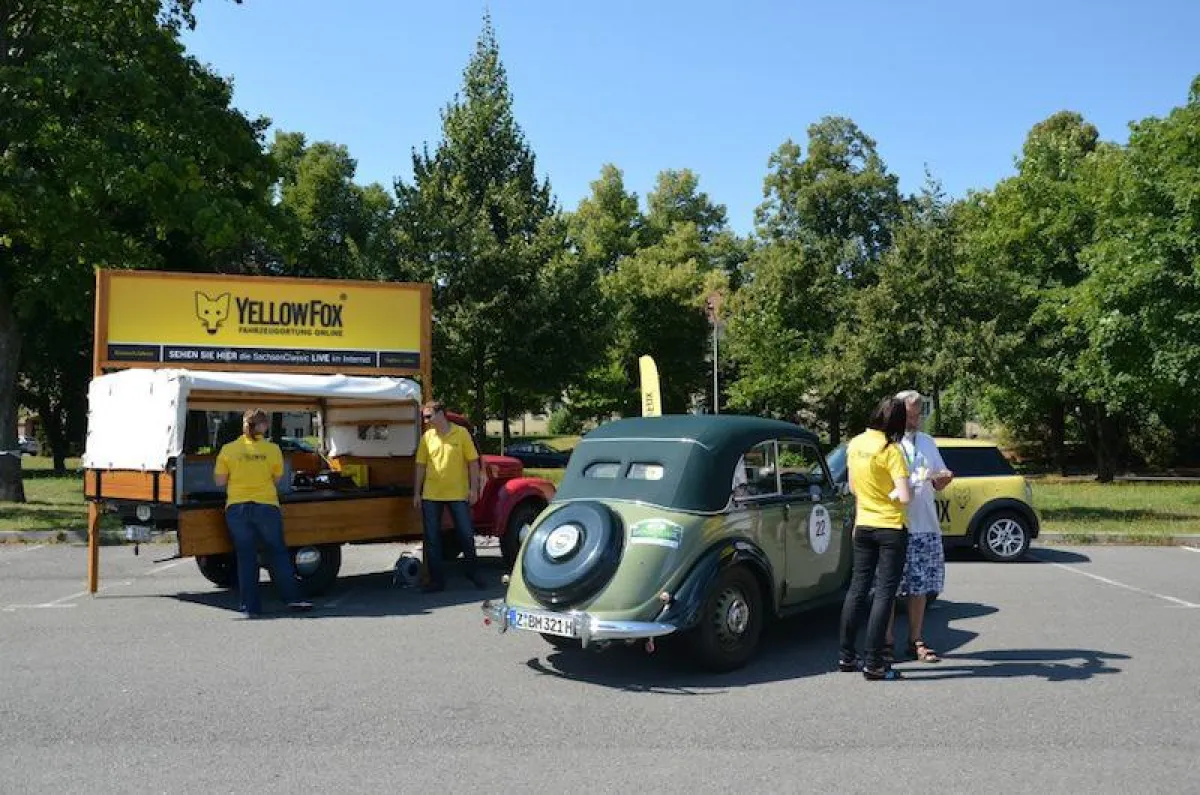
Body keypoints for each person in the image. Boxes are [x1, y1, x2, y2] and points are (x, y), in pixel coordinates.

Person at [837, 396, 912, 680]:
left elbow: (854, 487)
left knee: (857, 589)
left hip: (863, 525)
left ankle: (846, 656)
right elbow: (905, 496)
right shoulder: (890, 450)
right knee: (884, 593)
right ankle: (874, 663)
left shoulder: (855, 444)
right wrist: (897, 491)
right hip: (890, 526)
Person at [213, 409, 312, 618]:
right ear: (263, 426)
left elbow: (220, 481)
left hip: (237, 507)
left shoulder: (229, 449)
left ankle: (250, 607)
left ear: (243, 425)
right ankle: (293, 598)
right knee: (277, 552)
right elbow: (277, 479)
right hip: (266, 505)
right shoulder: (272, 449)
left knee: (246, 556)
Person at [886, 390, 954, 663]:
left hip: (925, 524)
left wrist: (942, 478)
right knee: (889, 587)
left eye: (918, 415)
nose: (914, 420)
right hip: (893, 523)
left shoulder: (927, 442)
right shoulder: (887, 441)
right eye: (909, 415)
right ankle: (886, 640)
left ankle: (916, 640)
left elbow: (938, 476)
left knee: (920, 586)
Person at [413, 401, 484, 592]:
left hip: (458, 493)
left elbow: (473, 462)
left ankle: (473, 573)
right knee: (432, 538)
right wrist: (417, 492)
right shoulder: (427, 437)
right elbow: (420, 466)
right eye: (424, 418)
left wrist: (474, 489)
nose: (426, 421)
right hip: (431, 494)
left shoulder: (461, 433)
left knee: (466, 534)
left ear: (441, 414)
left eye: (428, 417)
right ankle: (437, 581)